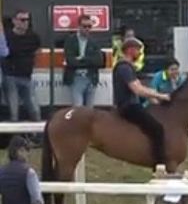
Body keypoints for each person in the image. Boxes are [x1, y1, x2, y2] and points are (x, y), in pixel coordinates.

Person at [113, 38, 171, 168]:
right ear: (130, 50)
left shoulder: (128, 67)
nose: (139, 53)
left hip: (131, 103)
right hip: (128, 106)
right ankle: (160, 164)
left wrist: (154, 98)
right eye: (138, 50)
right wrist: (161, 95)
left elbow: (141, 87)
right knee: (158, 129)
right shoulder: (124, 68)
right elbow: (137, 89)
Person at [3, 10, 42, 122]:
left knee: (34, 109)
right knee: (13, 111)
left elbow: (38, 51)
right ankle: (14, 137)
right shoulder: (6, 36)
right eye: (22, 20)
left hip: (27, 76)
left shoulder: (33, 36)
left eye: (27, 20)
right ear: (14, 21)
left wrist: (33, 64)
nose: (25, 22)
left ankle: (37, 136)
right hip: (10, 77)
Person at [63, 15, 103, 108]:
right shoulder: (70, 40)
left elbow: (99, 61)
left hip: (91, 77)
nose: (87, 29)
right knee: (78, 108)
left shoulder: (94, 41)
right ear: (79, 26)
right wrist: (90, 61)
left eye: (89, 26)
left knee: (89, 110)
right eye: (84, 26)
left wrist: (82, 59)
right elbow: (70, 61)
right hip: (76, 78)